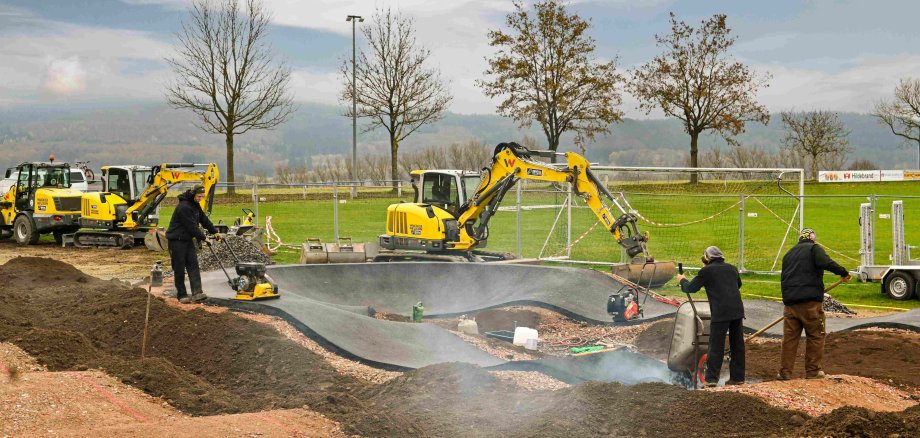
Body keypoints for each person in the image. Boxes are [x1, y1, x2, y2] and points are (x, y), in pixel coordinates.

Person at [778, 228, 850, 380]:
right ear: (811, 238)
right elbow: (825, 262)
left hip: (790, 304)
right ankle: (813, 371)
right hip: (810, 303)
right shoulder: (814, 248)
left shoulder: (788, 254)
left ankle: (784, 373)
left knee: (790, 340)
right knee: (816, 335)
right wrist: (843, 272)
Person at [678, 246, 745, 387]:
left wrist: (682, 280)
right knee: (737, 346)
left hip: (721, 312)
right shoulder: (732, 268)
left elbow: (690, 288)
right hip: (737, 311)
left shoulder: (706, 271)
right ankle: (738, 378)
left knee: (716, 346)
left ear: (707, 258)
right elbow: (738, 285)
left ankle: (711, 380)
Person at [165, 184, 220, 304]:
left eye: (202, 197)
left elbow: (203, 219)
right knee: (179, 268)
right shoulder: (183, 207)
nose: (200, 198)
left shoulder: (195, 205)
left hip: (187, 240)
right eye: (199, 196)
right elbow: (192, 227)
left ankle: (197, 292)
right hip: (176, 240)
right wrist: (205, 238)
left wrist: (215, 232)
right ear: (193, 194)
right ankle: (182, 295)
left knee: (193, 265)